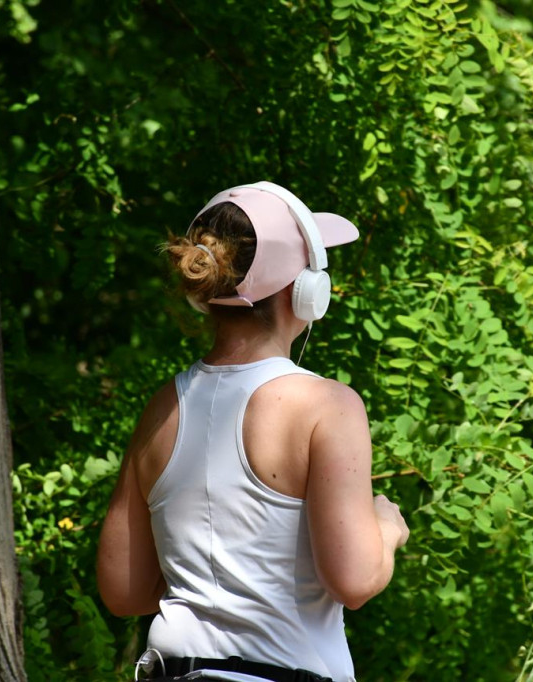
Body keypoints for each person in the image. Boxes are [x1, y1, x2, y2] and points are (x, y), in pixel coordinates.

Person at [97, 182, 410, 682]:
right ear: (305, 292)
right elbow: (355, 580)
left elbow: (124, 591)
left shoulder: (162, 408)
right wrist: (387, 527)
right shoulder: (327, 406)